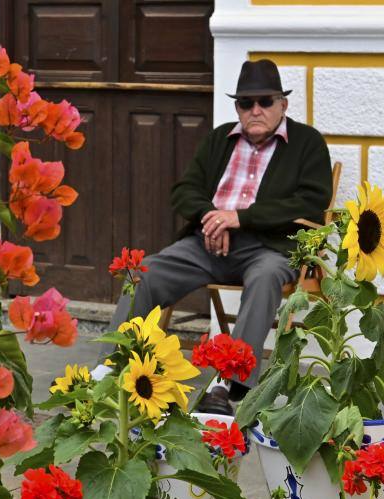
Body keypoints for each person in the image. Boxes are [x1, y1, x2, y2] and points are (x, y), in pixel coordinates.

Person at [95, 59, 333, 415]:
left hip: (268, 248)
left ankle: (228, 385)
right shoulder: (219, 139)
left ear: (282, 104)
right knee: (145, 272)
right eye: (245, 103)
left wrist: (239, 218)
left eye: (265, 102)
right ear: (237, 106)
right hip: (208, 245)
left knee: (267, 277)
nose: (255, 110)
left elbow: (311, 202)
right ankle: (111, 369)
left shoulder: (307, 143)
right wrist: (211, 217)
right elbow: (184, 190)